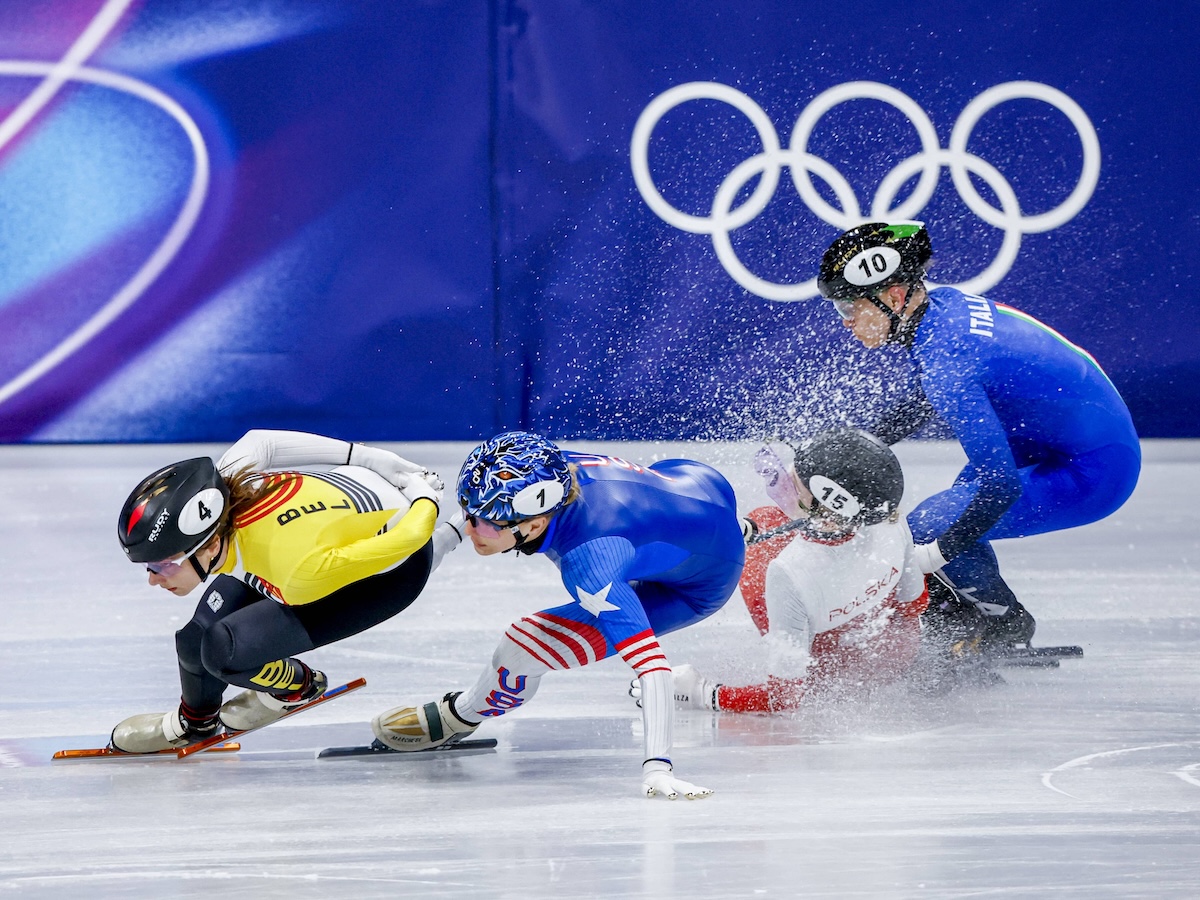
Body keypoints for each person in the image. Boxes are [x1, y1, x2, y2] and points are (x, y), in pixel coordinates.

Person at [369, 431, 745, 800]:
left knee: (523, 644)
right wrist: (448, 537)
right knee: (653, 540)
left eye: (485, 524)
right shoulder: (541, 464)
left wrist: (657, 767)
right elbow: (489, 494)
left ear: (534, 525)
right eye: (468, 511)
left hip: (695, 586)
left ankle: (459, 716)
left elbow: (652, 667)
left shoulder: (590, 561)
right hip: (698, 483)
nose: (473, 527)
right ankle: (734, 532)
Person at [816, 222, 1141, 648]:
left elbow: (1001, 486)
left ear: (894, 296)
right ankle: (969, 612)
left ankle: (1002, 625)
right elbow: (922, 402)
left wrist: (932, 557)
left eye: (848, 307)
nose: (846, 322)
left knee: (930, 527)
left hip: (1098, 467)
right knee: (957, 504)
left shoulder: (948, 361)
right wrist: (855, 444)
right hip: (1059, 434)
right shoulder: (940, 309)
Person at [110, 429, 464, 753]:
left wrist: (423, 496)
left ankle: (298, 688)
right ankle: (195, 723)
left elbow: (410, 540)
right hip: (328, 522)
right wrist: (364, 456)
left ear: (208, 544)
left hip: (391, 572)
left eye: (162, 565)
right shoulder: (224, 491)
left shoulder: (295, 571)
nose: (153, 578)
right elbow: (261, 441)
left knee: (223, 652)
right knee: (193, 639)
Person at [661, 428, 931, 713]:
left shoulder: (788, 569)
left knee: (762, 527)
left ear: (827, 502)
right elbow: (915, 604)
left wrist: (705, 693)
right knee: (769, 524)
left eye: (798, 483)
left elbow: (784, 698)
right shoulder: (889, 517)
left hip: (830, 676)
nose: (787, 477)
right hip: (897, 653)